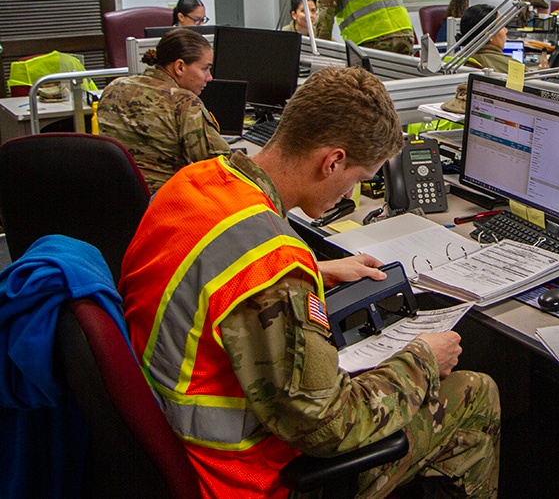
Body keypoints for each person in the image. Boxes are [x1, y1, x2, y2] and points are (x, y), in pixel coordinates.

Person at [117, 66, 501, 499]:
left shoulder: (193, 183)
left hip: (166, 441)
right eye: (358, 178)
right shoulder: (274, 267)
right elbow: (329, 427)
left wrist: (318, 270)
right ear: (332, 160)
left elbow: (210, 271)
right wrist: (422, 360)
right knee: (475, 391)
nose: (351, 192)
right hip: (241, 477)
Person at [98, 28, 230, 193]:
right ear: (180, 67)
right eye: (205, 68)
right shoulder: (183, 102)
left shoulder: (114, 87)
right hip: (164, 205)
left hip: (117, 199)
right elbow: (220, 167)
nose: (209, 77)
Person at [460, 3, 510, 73]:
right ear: (489, 35)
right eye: (502, 26)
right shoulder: (511, 66)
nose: (506, 30)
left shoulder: (457, 59)